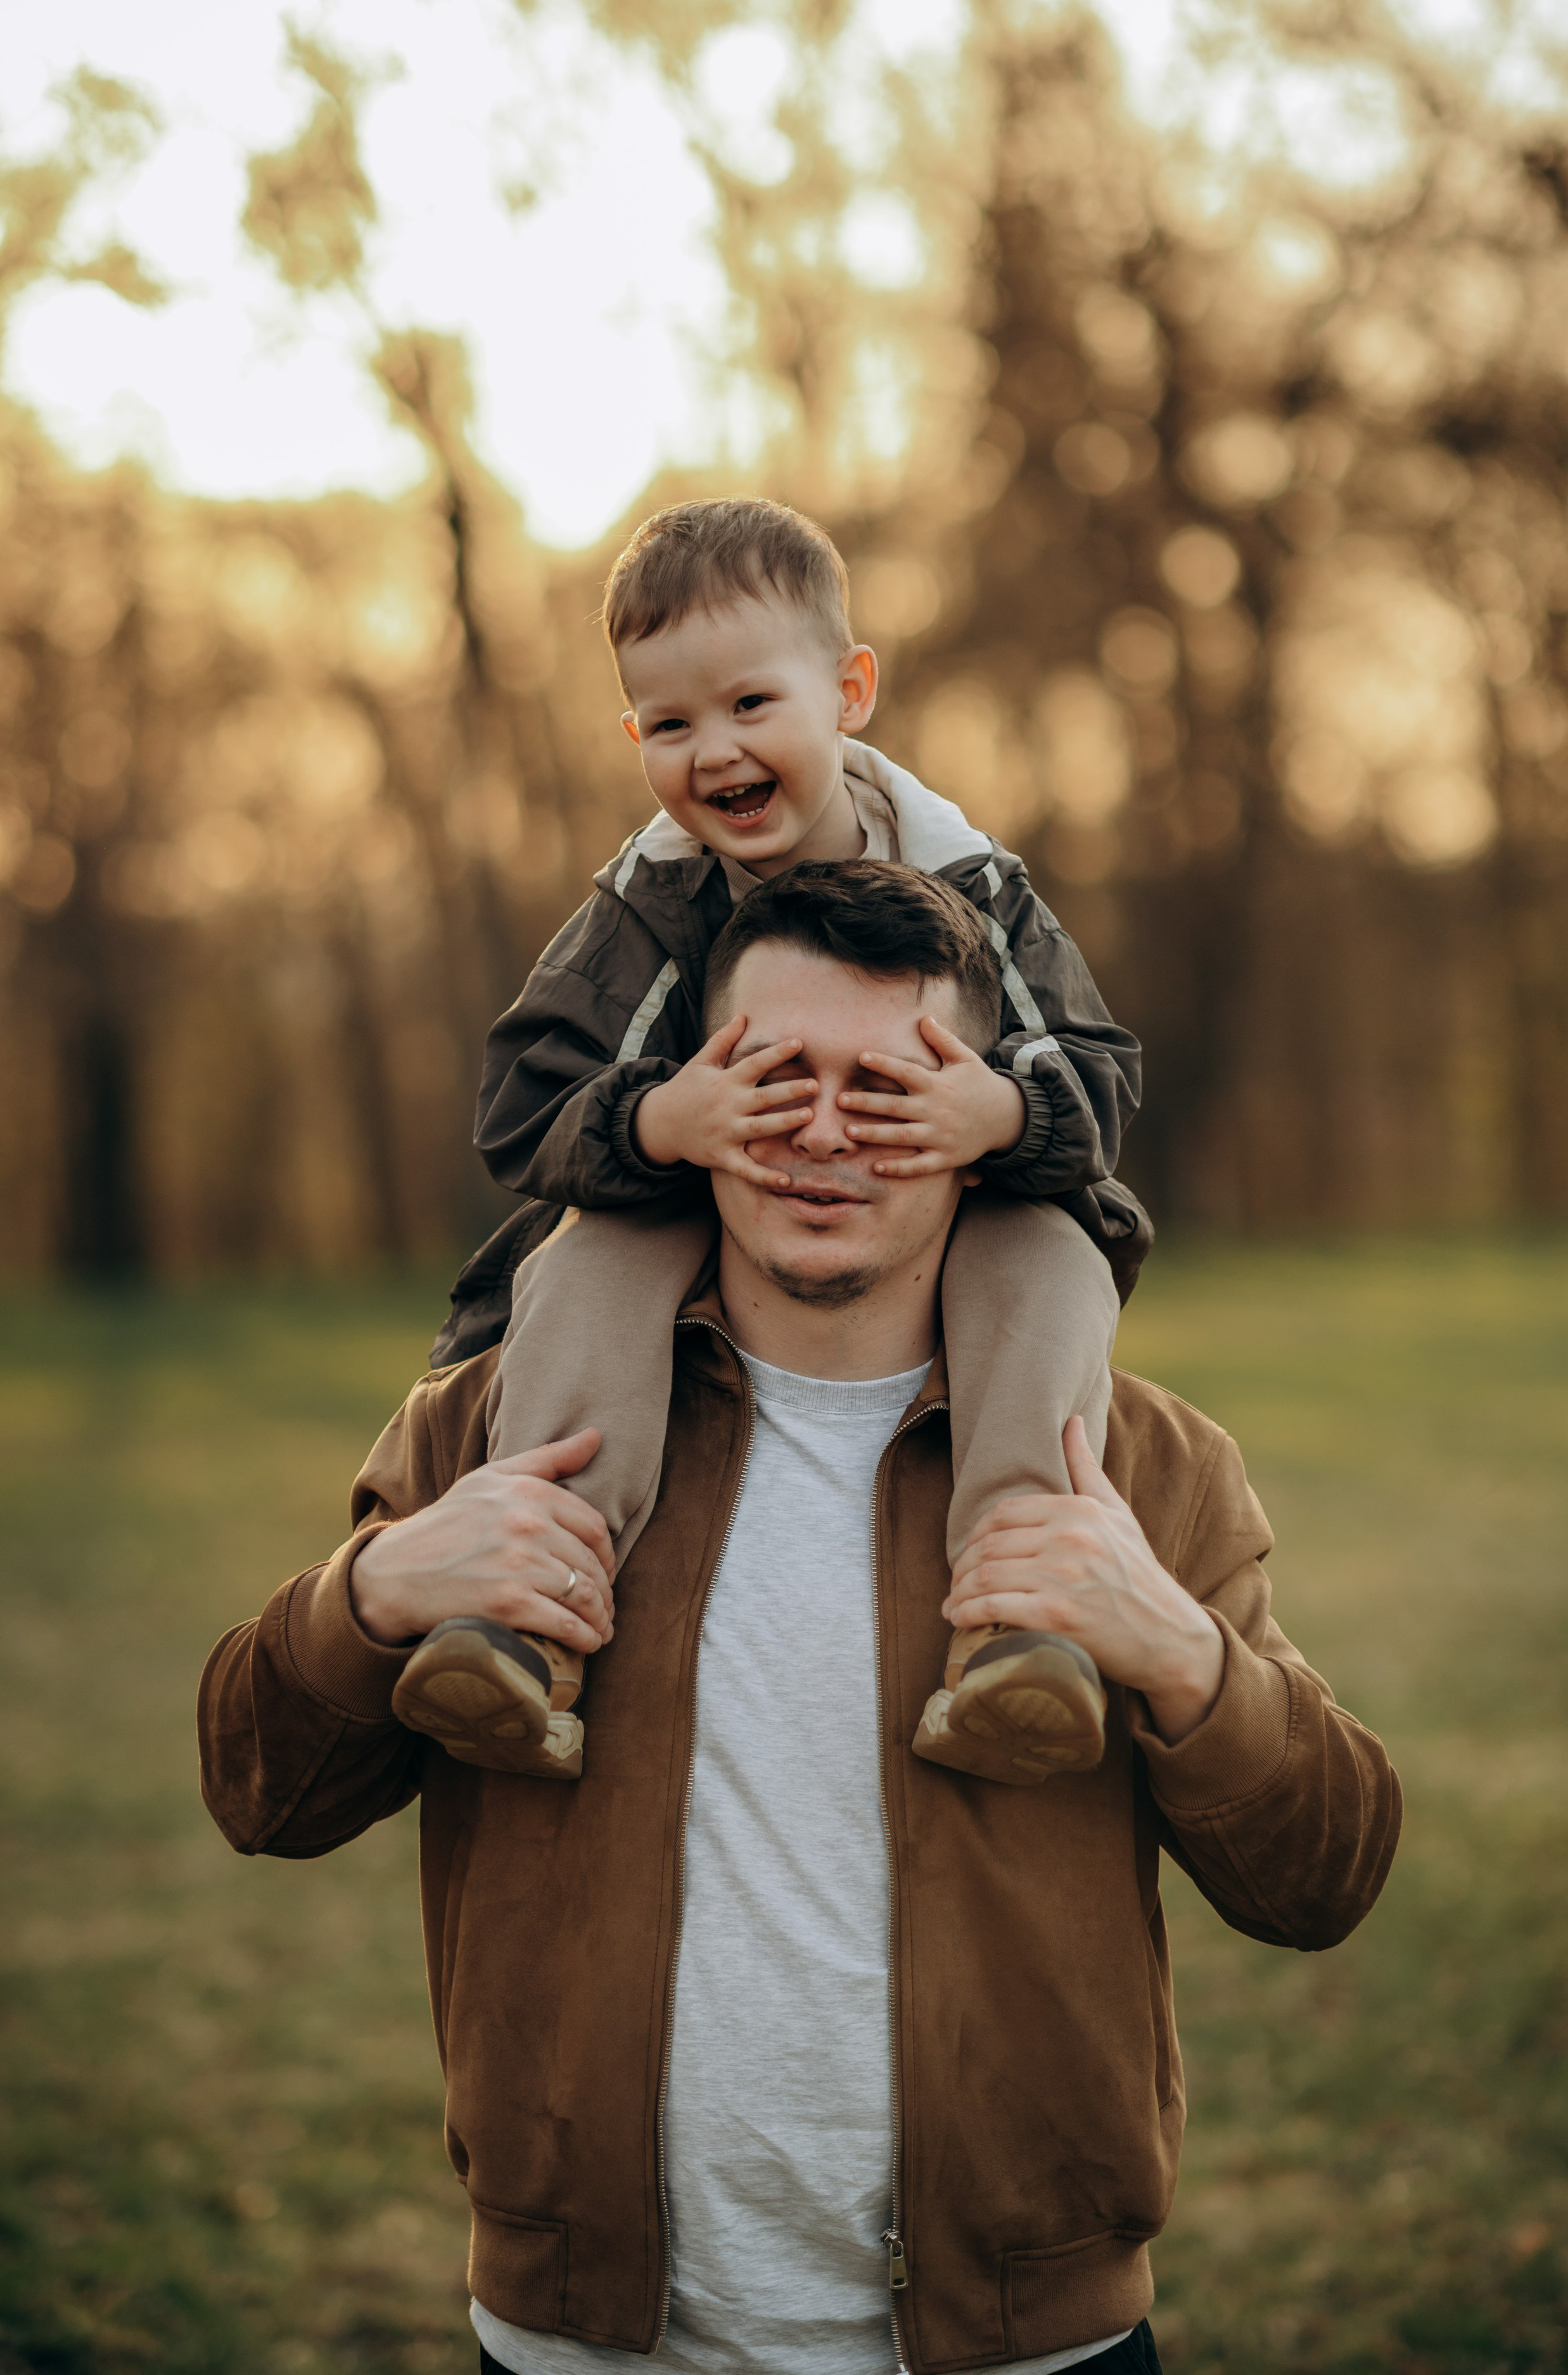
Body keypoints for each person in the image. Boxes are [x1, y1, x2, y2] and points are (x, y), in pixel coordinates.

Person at [198, 865, 1401, 2375]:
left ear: (983, 1134)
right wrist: (371, 1595)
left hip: (1018, 2346)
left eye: (888, 1087)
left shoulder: (1140, 1465)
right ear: (690, 1096)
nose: (822, 1134)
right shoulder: (500, 1436)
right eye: (771, 1078)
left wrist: (1171, 1648)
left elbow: (1324, 1875)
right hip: (583, 2339)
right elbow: (260, 1790)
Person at [398, 495, 1149, 1788]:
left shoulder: (968, 880)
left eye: (750, 705)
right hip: (703, 1192)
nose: (714, 752)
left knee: (1051, 1264)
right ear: (632, 732)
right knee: (583, 1266)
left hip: (953, 1197)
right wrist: (654, 1117)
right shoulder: (651, 902)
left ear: (848, 690)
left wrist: (1005, 1109)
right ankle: (523, 1614)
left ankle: (1020, 1626)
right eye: (669, 724)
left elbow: (1101, 1074)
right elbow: (523, 1099)